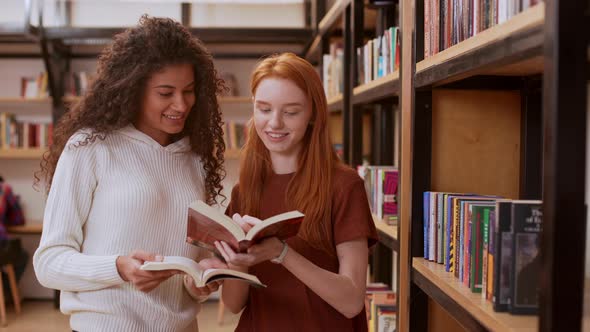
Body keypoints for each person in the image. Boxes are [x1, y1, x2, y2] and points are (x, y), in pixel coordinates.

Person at [33, 16, 227, 332]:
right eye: (165, 93)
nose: (181, 104)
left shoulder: (195, 158)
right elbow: (48, 264)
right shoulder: (90, 146)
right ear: (133, 89)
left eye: (189, 91)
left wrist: (199, 283)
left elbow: (183, 270)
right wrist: (119, 267)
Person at [216, 52, 378, 331]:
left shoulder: (344, 186)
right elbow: (233, 304)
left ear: (312, 113)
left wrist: (281, 254)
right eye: (264, 109)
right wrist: (237, 262)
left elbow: (351, 301)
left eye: (290, 112)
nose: (275, 123)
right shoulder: (245, 191)